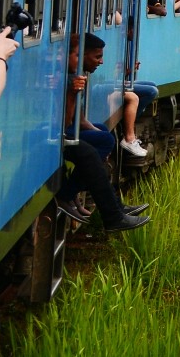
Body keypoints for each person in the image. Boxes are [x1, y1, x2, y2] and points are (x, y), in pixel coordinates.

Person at [60, 33, 148, 231]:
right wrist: (72, 94)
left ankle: (115, 207)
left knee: (101, 134)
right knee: (96, 148)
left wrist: (97, 132)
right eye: (97, 57)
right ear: (81, 55)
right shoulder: (67, 80)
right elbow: (64, 124)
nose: (101, 62)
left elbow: (79, 118)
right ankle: (70, 196)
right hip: (55, 136)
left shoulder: (76, 77)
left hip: (65, 131)